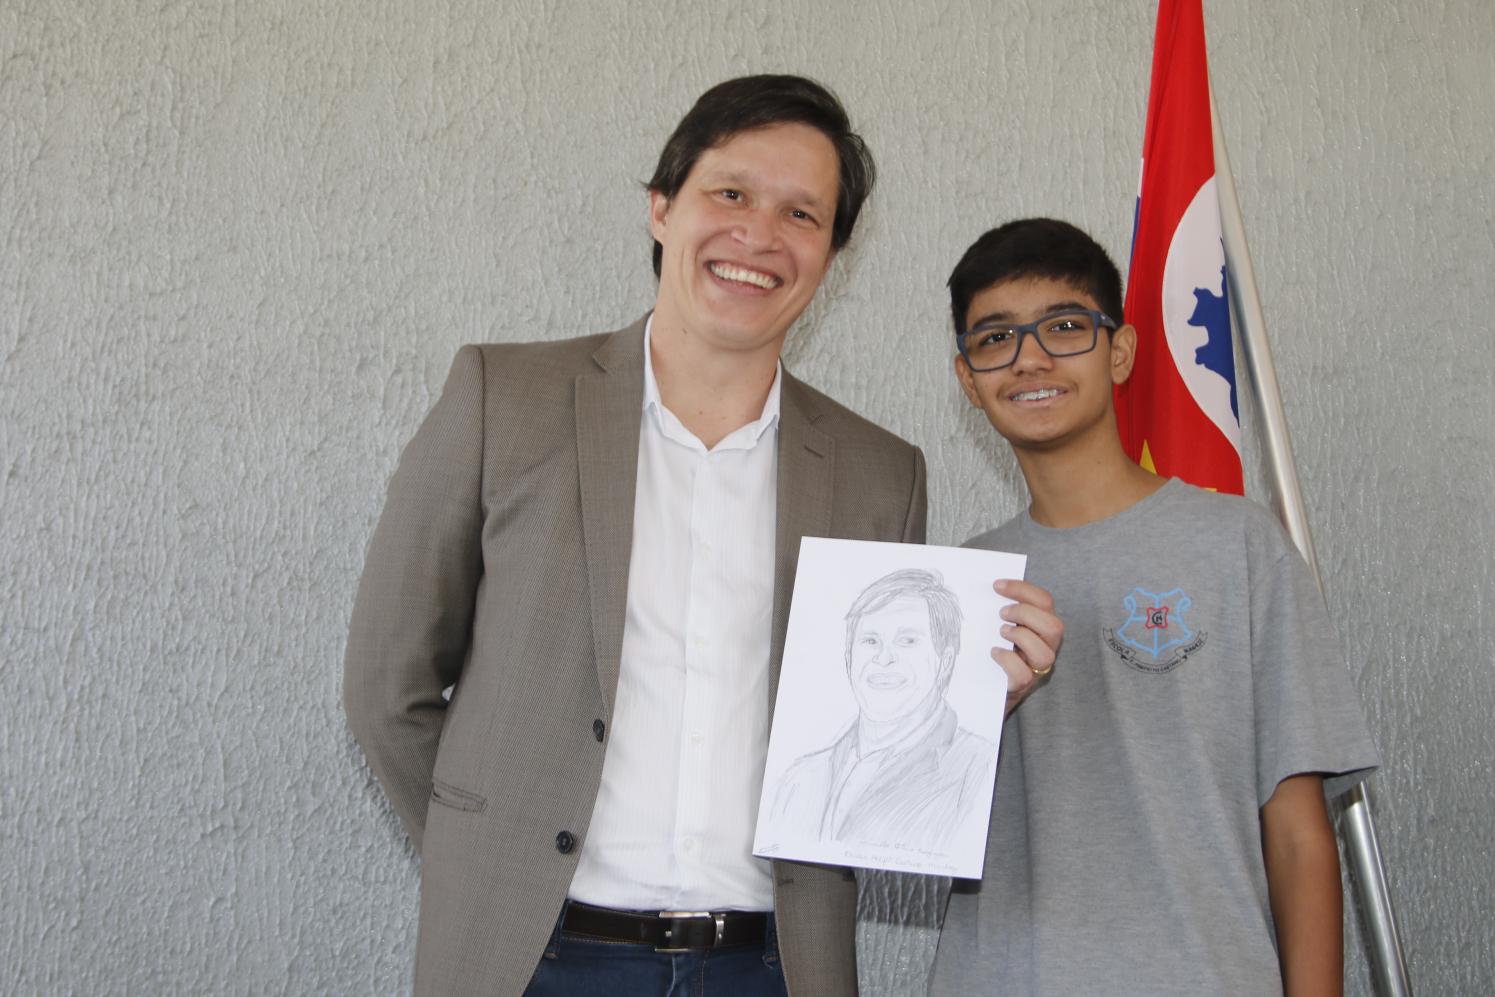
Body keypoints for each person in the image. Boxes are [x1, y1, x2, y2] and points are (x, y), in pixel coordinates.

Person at [343, 76, 1063, 997]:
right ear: (661, 207)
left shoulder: (882, 472)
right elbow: (387, 686)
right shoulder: (503, 399)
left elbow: (862, 743)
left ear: (831, 256)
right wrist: (490, 858)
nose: (758, 235)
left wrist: (965, 701)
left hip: (771, 966)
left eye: (801, 214)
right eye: (730, 193)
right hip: (538, 960)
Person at [927, 217, 1380, 997]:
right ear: (968, 378)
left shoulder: (1237, 543)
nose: (1029, 357)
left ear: (1120, 350)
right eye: (995, 337)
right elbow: (907, 817)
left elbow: (1299, 835)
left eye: (1064, 326)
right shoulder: (959, 585)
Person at [770, 568, 994, 851]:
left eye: (907, 640)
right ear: (849, 659)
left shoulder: (977, 769)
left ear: (945, 661)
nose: (884, 658)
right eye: (871, 641)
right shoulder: (798, 779)